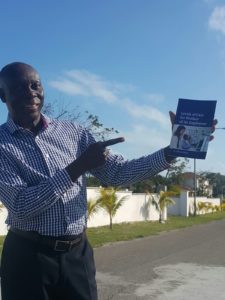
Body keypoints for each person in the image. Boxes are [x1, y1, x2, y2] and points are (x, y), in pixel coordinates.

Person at [0, 62, 215, 300]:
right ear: (3, 95)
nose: (31, 92)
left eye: (35, 85)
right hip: (28, 258)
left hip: (76, 254)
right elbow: (21, 205)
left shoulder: (74, 133)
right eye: (20, 88)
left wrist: (173, 151)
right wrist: (79, 166)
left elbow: (119, 173)